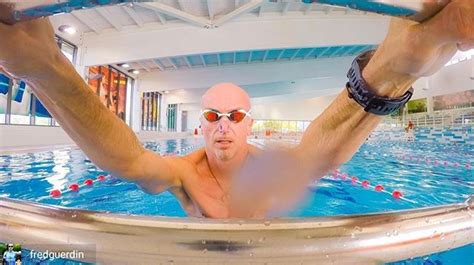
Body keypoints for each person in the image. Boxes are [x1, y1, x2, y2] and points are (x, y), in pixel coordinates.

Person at [0, 1, 472, 218]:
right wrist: (43, 68)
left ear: (250, 127)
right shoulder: (186, 172)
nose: (222, 126)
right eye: (211, 117)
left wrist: (395, 73)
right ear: (200, 130)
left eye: (234, 117)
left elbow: (316, 157)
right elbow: (130, 162)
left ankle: (403, 60)